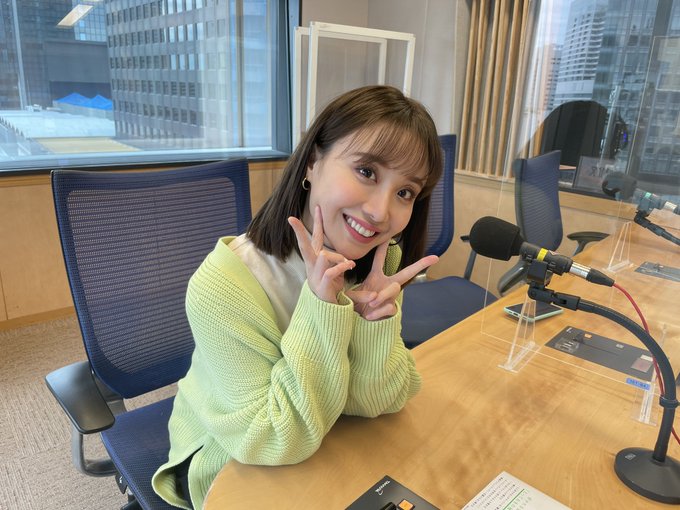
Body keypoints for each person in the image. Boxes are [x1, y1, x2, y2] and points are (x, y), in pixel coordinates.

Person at [152, 85, 443, 509]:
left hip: (327, 435)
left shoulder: (378, 264)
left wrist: (373, 324)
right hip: (231, 460)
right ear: (312, 162)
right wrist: (322, 308)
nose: (381, 212)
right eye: (366, 171)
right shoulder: (224, 284)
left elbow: (377, 402)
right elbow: (272, 438)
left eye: (405, 193)